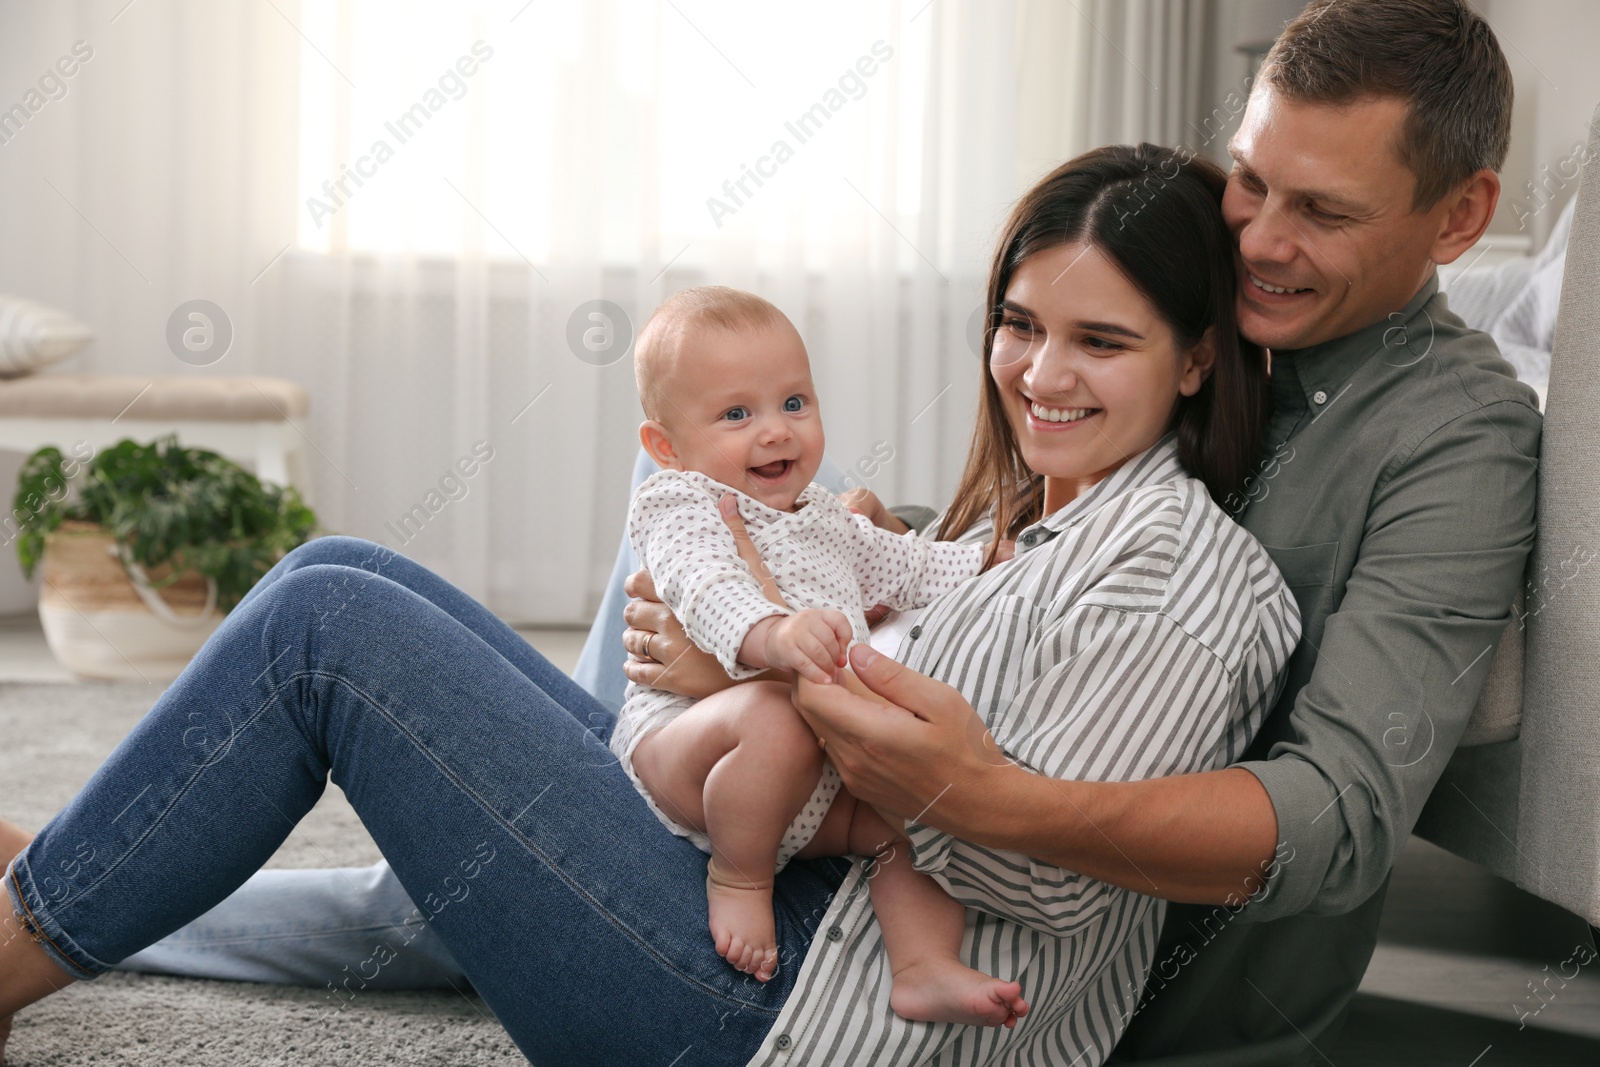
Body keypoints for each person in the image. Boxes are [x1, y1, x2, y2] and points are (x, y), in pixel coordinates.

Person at [0, 143, 1298, 1067]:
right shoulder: (1063, 518)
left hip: (780, 1010)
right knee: (386, 558)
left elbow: (1048, 869)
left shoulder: (1177, 577)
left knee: (330, 626)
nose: (1039, 372)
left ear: (1195, 357)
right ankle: (91, 862)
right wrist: (764, 640)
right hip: (758, 873)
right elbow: (925, 621)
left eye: (1102, 341)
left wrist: (770, 684)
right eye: (1021, 324)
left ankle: (14, 941)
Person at [635, 2, 1542, 1062]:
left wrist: (960, 782)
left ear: (1457, 217)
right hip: (867, 860)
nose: (1256, 238)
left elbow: (1338, 810)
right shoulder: (1237, 311)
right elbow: (1053, 566)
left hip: (1066, 973)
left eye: (1324, 211)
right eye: (1251, 179)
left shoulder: (1454, 437)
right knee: (703, 451)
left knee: (413, 611)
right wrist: (825, 577)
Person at [614, 283, 1028, 1026]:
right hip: (693, 750)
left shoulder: (826, 517)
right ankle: (739, 878)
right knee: (777, 714)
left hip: (811, 789)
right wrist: (772, 632)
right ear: (667, 448)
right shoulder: (680, 505)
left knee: (915, 821)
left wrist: (985, 563)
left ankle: (922, 965)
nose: (776, 431)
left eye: (794, 403)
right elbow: (701, 584)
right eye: (738, 414)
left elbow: (905, 567)